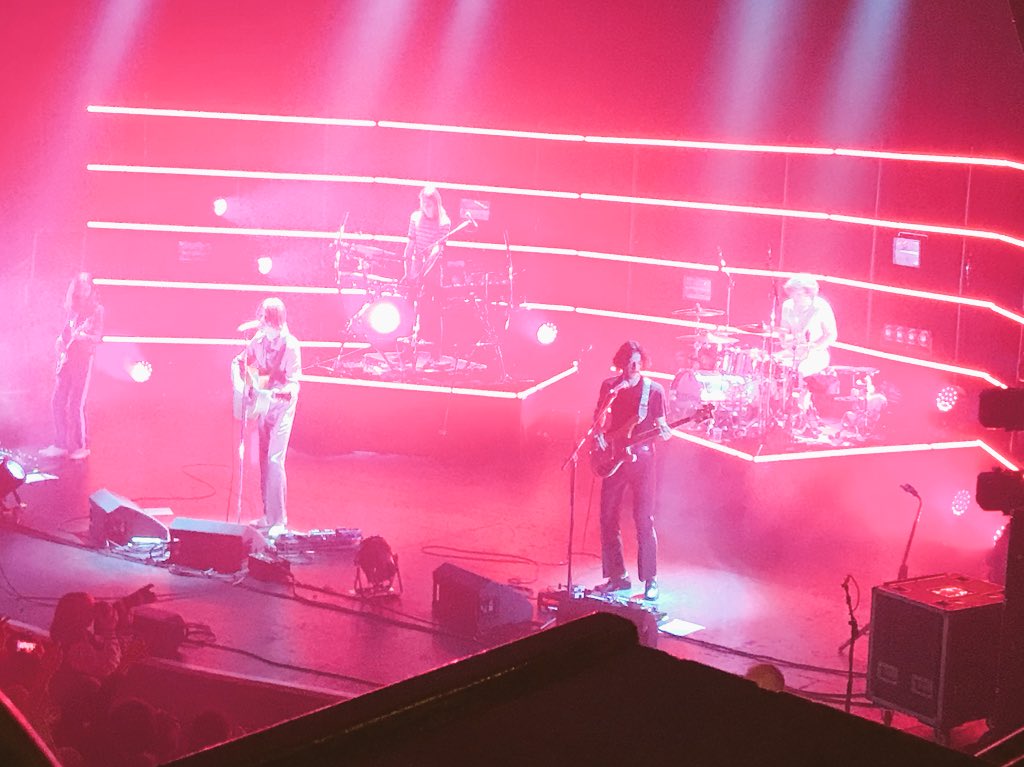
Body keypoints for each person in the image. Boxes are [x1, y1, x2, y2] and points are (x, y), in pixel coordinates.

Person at [592, 341, 672, 601]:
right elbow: (599, 419)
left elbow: (662, 427)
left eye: (637, 362)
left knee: (643, 520)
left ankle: (650, 580)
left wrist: (666, 433)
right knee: (607, 518)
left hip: (643, 461)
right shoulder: (610, 387)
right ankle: (617, 577)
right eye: (629, 362)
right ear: (621, 364)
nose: (634, 367)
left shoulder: (655, 390)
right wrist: (599, 436)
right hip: (615, 459)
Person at [232, 298, 301, 537]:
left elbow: (293, 383)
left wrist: (272, 394)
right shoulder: (257, 341)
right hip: (264, 404)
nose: (260, 320)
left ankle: (279, 518)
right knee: (262, 460)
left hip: (282, 407)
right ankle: (268, 514)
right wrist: (247, 388)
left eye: (264, 316)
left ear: (274, 318)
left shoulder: (290, 345)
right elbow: (243, 363)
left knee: (274, 460)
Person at [40, 272, 105, 460]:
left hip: (83, 360)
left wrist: (84, 337)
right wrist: (60, 342)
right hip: (67, 359)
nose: (82, 292)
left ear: (91, 289)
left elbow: (98, 337)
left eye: (86, 288)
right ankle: (60, 443)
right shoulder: (73, 309)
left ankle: (81, 445)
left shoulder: (97, 310)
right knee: (58, 401)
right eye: (79, 288)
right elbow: (65, 332)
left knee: (76, 403)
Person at [403, 186, 452, 349]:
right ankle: (407, 342)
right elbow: (410, 243)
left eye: (429, 205)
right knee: (410, 302)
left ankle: (434, 347)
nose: (425, 208)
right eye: (423, 204)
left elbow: (436, 251)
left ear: (436, 204)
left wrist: (422, 273)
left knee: (431, 306)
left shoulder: (444, 223)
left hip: (433, 267)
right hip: (417, 262)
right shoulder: (415, 217)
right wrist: (408, 269)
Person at [779, 274, 838, 379]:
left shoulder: (820, 306)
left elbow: (830, 335)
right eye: (791, 293)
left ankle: (801, 393)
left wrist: (811, 346)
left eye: (797, 294)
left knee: (801, 370)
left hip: (817, 353)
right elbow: (784, 330)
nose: (793, 297)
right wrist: (784, 340)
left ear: (808, 292)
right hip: (794, 352)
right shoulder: (787, 305)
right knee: (772, 362)